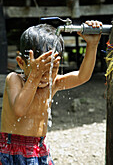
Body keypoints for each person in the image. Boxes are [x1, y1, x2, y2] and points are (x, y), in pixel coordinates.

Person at [0, 20, 102, 165]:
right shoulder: (15, 79)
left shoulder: (52, 83)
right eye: (39, 70)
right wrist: (33, 77)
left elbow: (82, 76)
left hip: (39, 149)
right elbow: (19, 109)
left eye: (52, 69)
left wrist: (92, 45)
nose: (44, 75)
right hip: (12, 152)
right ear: (21, 63)